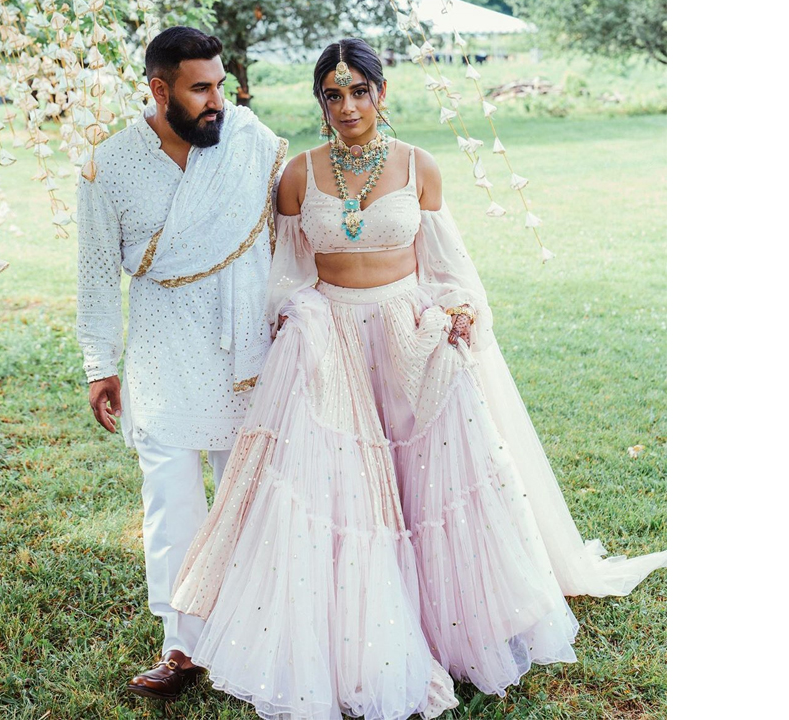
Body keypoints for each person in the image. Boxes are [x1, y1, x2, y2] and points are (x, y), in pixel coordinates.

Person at [171, 39, 666, 719]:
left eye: (359, 91)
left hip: (408, 332)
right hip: (331, 340)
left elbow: (447, 263)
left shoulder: (418, 166)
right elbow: (284, 269)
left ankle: (452, 627)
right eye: (333, 95)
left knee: (432, 478)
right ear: (320, 101)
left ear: (382, 93)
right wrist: (294, 313)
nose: (348, 106)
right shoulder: (298, 174)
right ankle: (360, 634)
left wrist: (456, 312)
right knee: (341, 489)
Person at [75, 26, 287, 700]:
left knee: (249, 494)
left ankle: (257, 633)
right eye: (201, 89)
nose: (218, 101)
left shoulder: (250, 143)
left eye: (220, 85)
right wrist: (99, 364)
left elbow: (292, 233)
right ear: (159, 91)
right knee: (171, 504)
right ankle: (182, 644)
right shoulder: (111, 165)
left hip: (246, 346)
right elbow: (94, 274)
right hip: (163, 353)